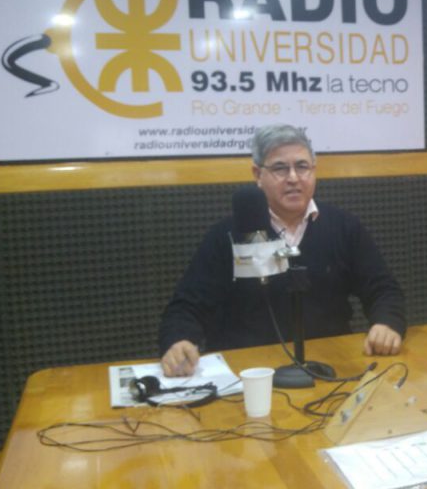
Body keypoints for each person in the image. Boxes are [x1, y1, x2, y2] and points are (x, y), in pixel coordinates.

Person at [159, 124, 406, 377]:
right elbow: (186, 307)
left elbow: (383, 289)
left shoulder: (343, 227)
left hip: (331, 368)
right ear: (257, 174)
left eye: (302, 166)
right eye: (280, 168)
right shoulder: (227, 235)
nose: (293, 178)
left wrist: (387, 323)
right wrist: (179, 340)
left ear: (313, 171)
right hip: (251, 374)